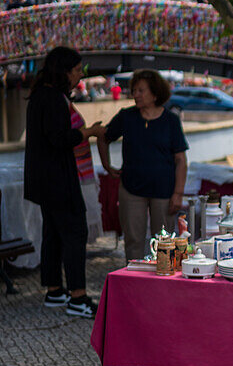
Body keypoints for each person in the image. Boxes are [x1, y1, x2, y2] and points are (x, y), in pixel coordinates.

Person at [23, 46, 103, 317]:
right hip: (58, 178)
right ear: (64, 71)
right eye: (78, 70)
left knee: (53, 233)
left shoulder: (39, 95)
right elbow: (59, 139)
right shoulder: (54, 98)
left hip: (43, 179)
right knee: (74, 232)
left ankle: (55, 290)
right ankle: (78, 298)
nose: (80, 76)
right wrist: (87, 131)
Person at [96, 69, 188, 262]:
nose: (135, 95)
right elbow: (103, 138)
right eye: (134, 90)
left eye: (141, 90)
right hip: (132, 189)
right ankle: (134, 284)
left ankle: (163, 283)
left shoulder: (170, 120)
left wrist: (178, 193)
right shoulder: (127, 116)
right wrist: (107, 166)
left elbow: (180, 159)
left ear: (155, 94)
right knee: (133, 241)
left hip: (164, 190)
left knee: (164, 242)